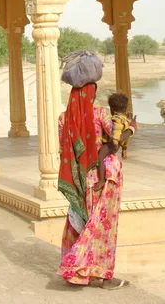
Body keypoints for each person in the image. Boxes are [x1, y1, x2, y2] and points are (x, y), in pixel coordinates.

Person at [57, 83, 136, 290]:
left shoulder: (63, 119)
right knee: (104, 227)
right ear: (91, 94)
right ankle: (100, 275)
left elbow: (64, 152)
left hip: (81, 180)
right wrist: (132, 128)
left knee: (84, 223)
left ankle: (84, 272)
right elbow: (115, 141)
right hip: (105, 177)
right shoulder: (100, 113)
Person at [94, 93, 132, 192]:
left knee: (100, 156)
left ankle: (101, 179)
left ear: (112, 109)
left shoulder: (116, 119)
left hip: (110, 144)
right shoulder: (126, 119)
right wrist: (124, 148)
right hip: (116, 145)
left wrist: (115, 142)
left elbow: (116, 133)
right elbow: (125, 137)